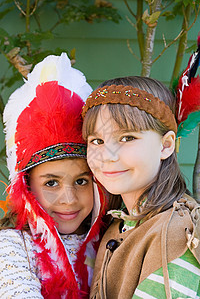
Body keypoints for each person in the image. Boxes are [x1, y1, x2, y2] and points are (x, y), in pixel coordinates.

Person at [82, 73, 200, 299]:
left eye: (127, 138)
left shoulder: (176, 233)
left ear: (166, 145)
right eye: (97, 141)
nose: (107, 156)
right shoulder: (121, 222)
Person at [0, 53, 107, 298]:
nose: (68, 199)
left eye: (81, 181)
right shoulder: (13, 247)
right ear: (26, 187)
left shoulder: (110, 240)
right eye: (51, 183)